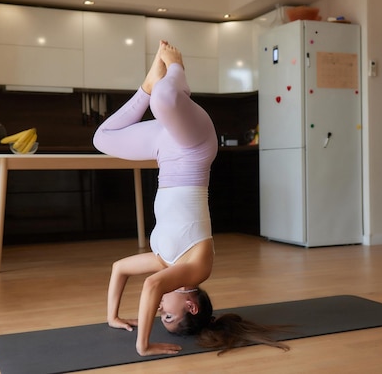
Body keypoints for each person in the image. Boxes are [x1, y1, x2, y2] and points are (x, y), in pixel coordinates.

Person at [93, 41, 289, 356]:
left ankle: (147, 86)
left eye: (161, 319)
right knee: (166, 98)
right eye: (168, 316)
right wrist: (143, 345)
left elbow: (119, 268)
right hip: (195, 147)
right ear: (191, 306)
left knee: (102, 138)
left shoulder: (162, 259)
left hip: (165, 150)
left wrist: (112, 316)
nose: (160, 313)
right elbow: (151, 286)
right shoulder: (198, 269)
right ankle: (176, 69)